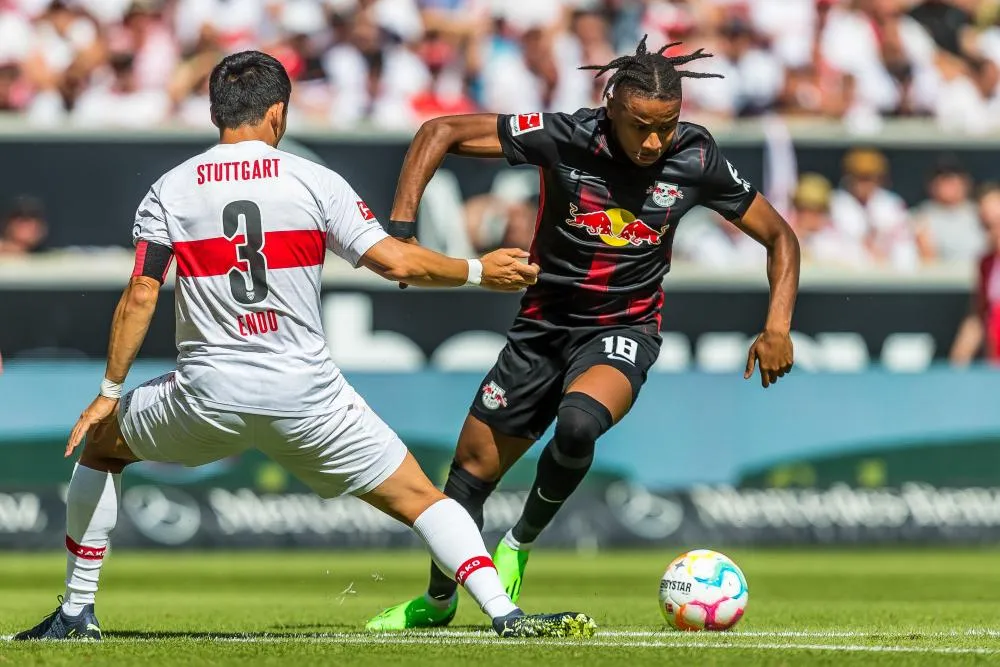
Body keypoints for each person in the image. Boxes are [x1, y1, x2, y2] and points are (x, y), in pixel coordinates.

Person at [14, 50, 595, 642]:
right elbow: (395, 262)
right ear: (278, 112)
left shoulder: (171, 189)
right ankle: (505, 614)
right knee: (424, 499)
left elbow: (141, 293)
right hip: (308, 397)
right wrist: (477, 270)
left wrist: (109, 391)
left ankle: (76, 613)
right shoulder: (313, 180)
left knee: (102, 449)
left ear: (215, 112)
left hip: (207, 394)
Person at [367, 36, 800, 631]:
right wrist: (400, 234)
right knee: (468, 479)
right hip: (541, 329)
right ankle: (437, 603)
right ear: (612, 107)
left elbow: (780, 237)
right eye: (641, 126)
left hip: (624, 326)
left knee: (577, 424)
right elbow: (438, 131)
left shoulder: (697, 156)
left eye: (666, 126)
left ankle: (518, 544)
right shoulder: (568, 136)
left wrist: (777, 326)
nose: (654, 142)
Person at [950, 184, 1000, 366]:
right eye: (986, 226)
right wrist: (957, 362)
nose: (994, 232)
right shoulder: (986, 263)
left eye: (997, 222)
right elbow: (979, 316)